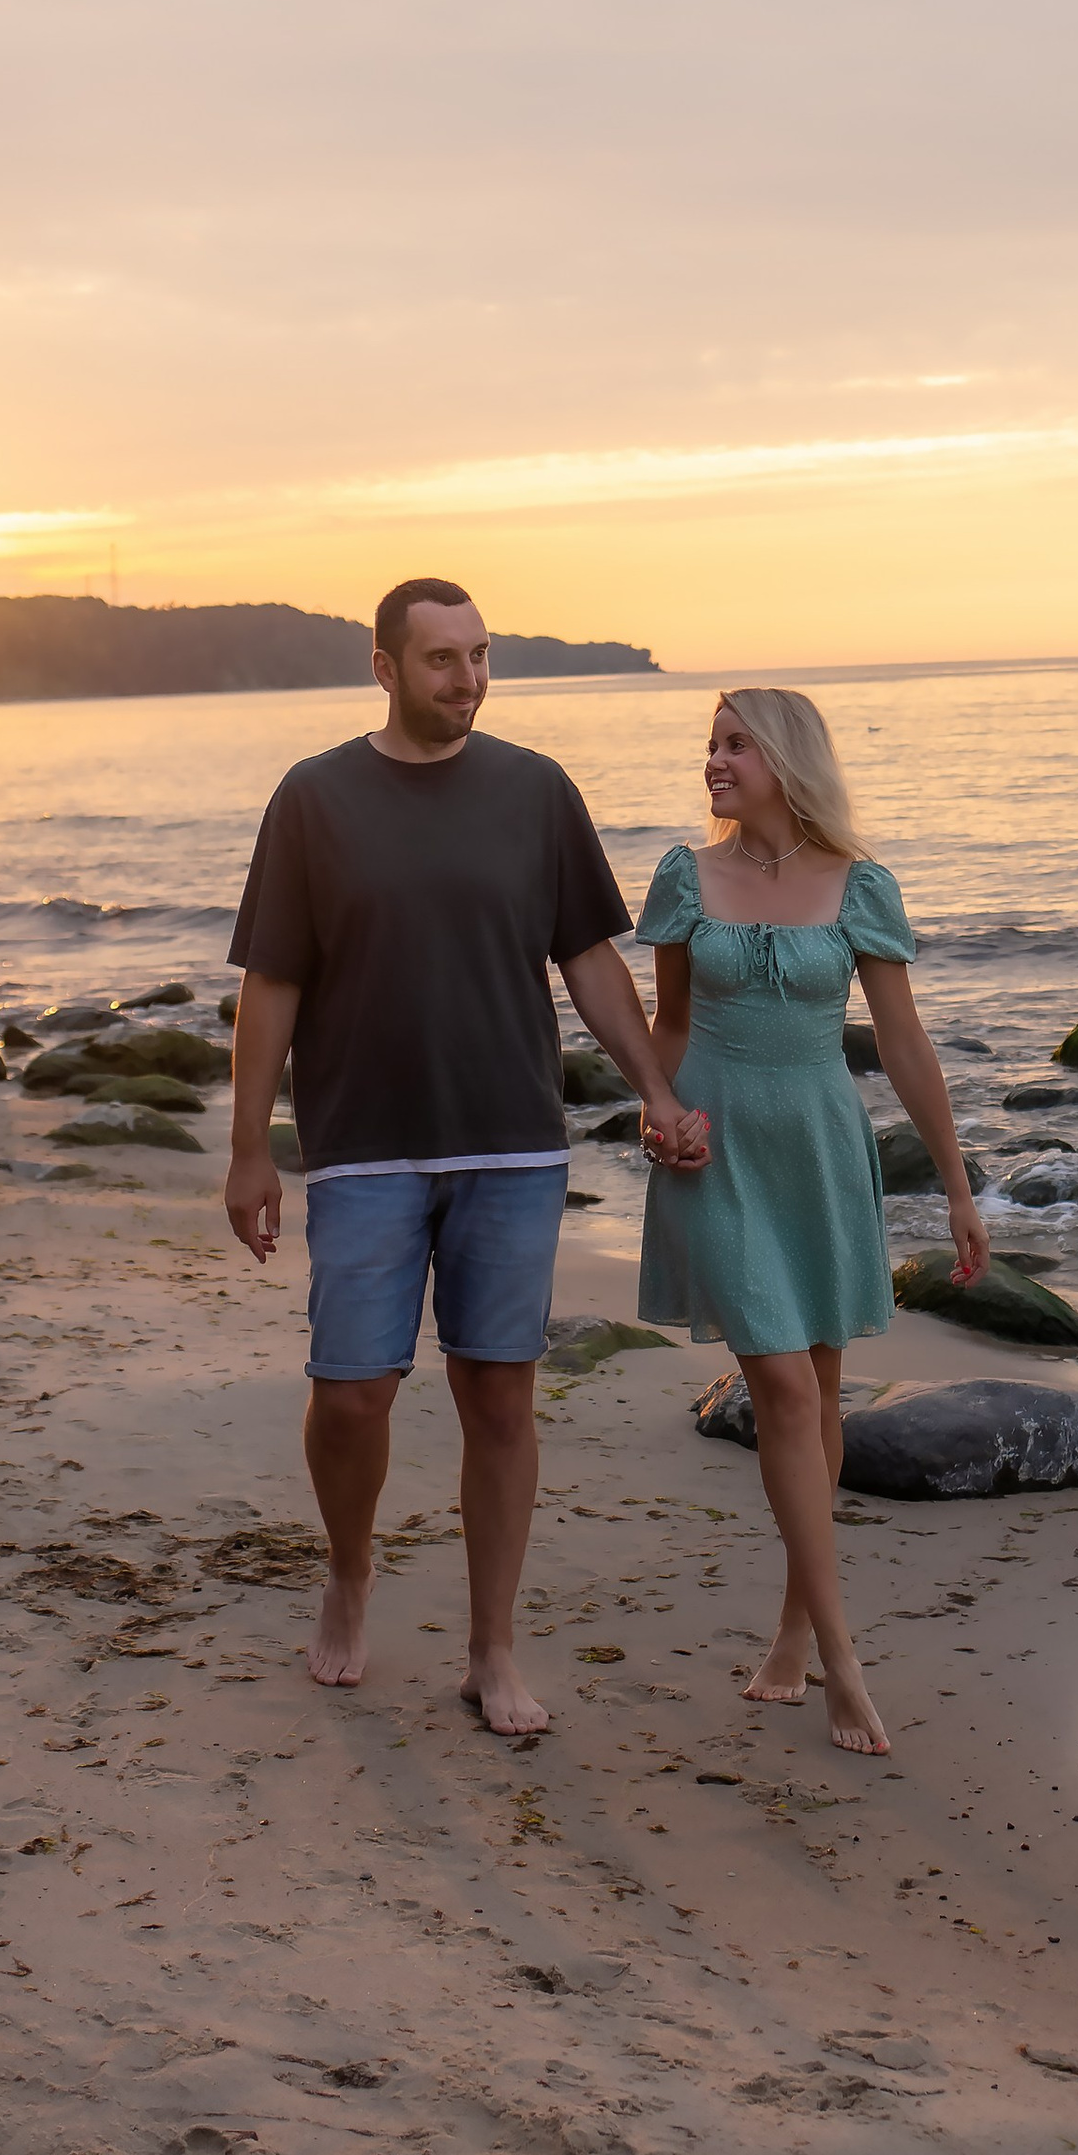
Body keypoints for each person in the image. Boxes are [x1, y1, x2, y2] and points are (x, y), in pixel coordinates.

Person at [222, 578, 704, 1737]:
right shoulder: (315, 797)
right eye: (442, 659)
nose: (468, 679)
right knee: (351, 1396)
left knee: (498, 1397)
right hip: (364, 1146)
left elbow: (586, 959)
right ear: (384, 668)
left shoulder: (535, 791)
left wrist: (654, 1090)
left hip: (510, 1143)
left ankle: (493, 1650)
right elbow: (272, 981)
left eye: (481, 656)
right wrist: (250, 1150)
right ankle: (349, 1574)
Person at [637, 686, 986, 1757]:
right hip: (719, 1145)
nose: (714, 761)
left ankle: (792, 1629)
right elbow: (672, 1021)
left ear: (788, 758)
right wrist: (656, 1112)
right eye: (709, 744)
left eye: (735, 743)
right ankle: (844, 1663)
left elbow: (905, 1046)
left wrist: (958, 1186)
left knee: (822, 1397)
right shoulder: (684, 877)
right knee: (783, 1386)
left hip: (821, 1149)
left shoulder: (861, 885)